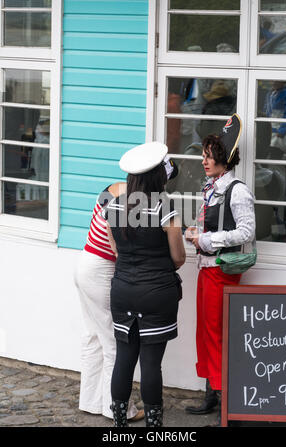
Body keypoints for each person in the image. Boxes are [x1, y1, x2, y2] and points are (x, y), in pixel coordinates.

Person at [105, 142, 185, 427]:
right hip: (156, 293)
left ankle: (119, 425)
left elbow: (116, 251)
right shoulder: (166, 208)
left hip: (123, 290)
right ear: (156, 176)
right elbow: (178, 258)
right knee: (151, 363)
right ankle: (154, 427)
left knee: (124, 358)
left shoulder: (112, 206)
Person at [184, 114, 256, 424]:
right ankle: (211, 393)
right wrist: (194, 233)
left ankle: (228, 401)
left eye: (209, 156)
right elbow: (209, 226)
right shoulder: (211, 188)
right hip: (206, 269)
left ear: (224, 158)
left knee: (218, 335)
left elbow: (247, 232)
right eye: (203, 156)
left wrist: (207, 238)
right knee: (205, 333)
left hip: (222, 270)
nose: (204, 161)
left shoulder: (237, 190)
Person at [74, 182, 143, 422]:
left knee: (92, 336)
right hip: (102, 270)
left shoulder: (112, 187)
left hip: (84, 263)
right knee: (115, 342)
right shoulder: (132, 201)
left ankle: (91, 401)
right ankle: (117, 408)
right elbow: (123, 249)